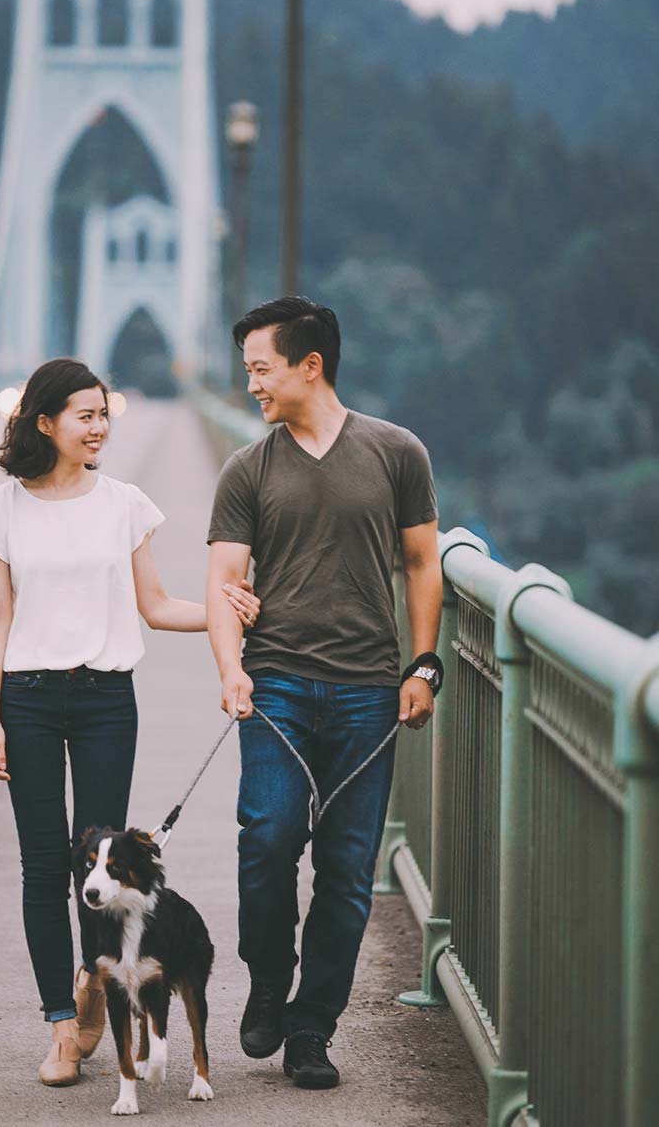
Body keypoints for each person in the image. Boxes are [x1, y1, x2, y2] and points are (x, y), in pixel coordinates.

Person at [0, 358, 259, 1089]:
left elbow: (154, 606)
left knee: (100, 867)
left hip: (105, 700)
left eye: (104, 415)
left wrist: (233, 611)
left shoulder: (124, 502)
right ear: (45, 422)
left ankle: (98, 983)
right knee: (42, 864)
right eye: (85, 416)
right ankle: (63, 1028)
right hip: (28, 697)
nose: (99, 428)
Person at [206, 297, 443, 1090]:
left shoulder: (397, 451)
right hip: (274, 682)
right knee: (267, 839)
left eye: (261, 369)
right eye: (247, 373)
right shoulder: (249, 468)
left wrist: (424, 664)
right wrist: (231, 668)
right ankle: (269, 975)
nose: (252, 386)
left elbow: (421, 563)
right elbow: (222, 582)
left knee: (346, 870)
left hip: (369, 692)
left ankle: (312, 1027)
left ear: (311, 365)